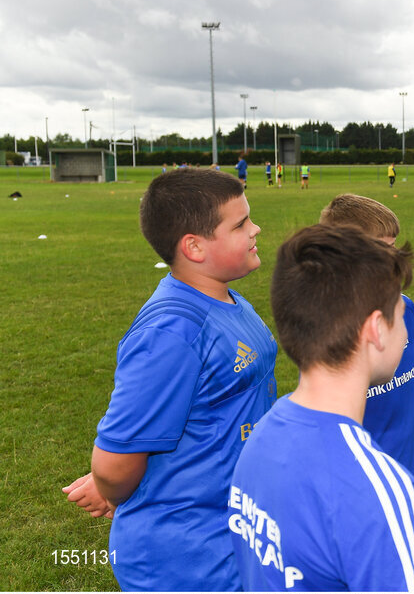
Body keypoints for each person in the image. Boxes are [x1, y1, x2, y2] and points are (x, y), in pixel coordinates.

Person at [61, 168, 277, 590]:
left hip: (237, 534)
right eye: (241, 224)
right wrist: (111, 482)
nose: (256, 229)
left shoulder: (224, 297)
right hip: (188, 559)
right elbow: (112, 463)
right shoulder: (171, 333)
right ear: (194, 247)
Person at [230, 224, 414, 591]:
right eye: (401, 314)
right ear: (376, 330)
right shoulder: (381, 491)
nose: (406, 331)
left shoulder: (260, 436)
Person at [319, 194, 414, 591]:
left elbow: (413, 392)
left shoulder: (404, 309)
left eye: (395, 247)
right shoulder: (334, 331)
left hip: (413, 482)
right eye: (383, 249)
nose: (394, 259)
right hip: (370, 492)